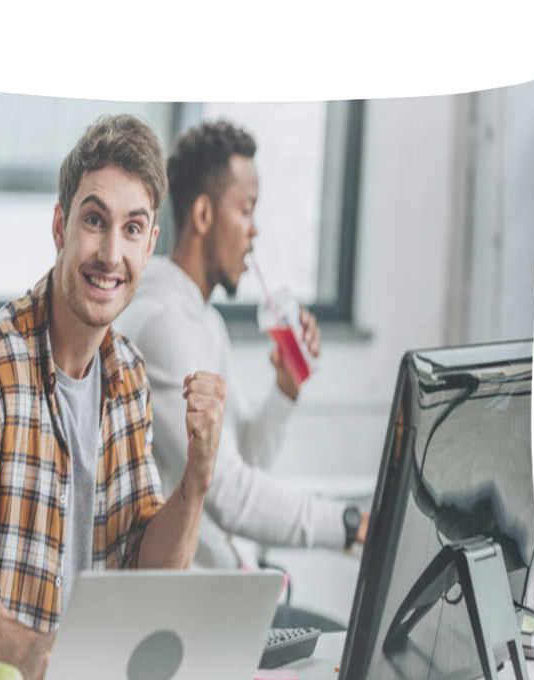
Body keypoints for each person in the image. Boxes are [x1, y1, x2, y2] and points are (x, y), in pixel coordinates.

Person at [0, 115, 227, 680]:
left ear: (151, 244)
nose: (110, 253)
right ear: (60, 225)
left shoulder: (127, 375)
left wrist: (198, 481)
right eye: (94, 221)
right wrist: (35, 655)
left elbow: (146, 570)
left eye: (132, 229)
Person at [116, 120, 367, 571]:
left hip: (220, 584)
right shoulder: (165, 325)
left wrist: (285, 391)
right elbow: (228, 492)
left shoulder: (205, 321)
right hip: (176, 601)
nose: (254, 231)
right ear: (204, 215)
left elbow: (243, 456)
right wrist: (348, 523)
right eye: (246, 209)